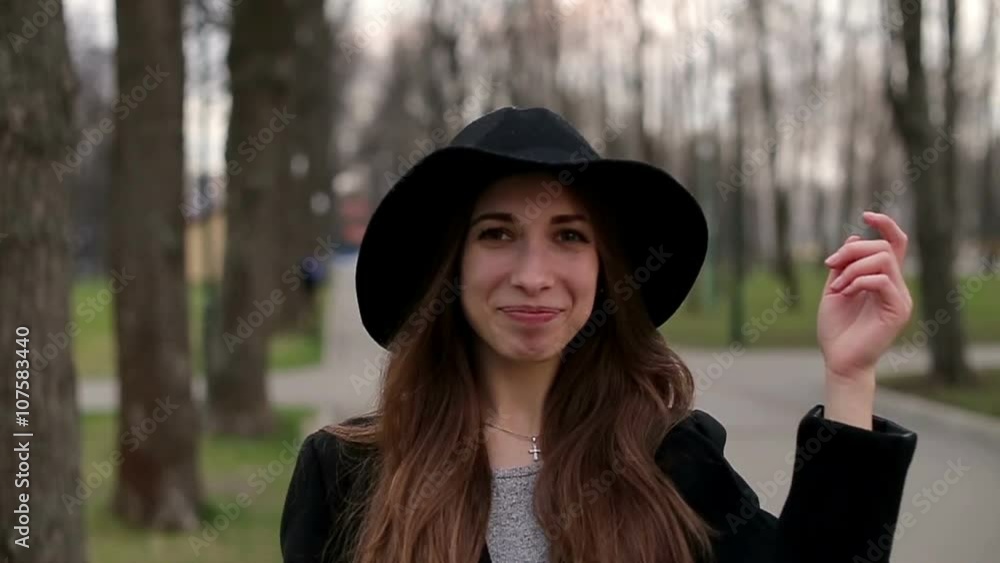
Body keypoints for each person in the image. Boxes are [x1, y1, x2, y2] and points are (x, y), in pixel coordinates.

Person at [279, 107, 918, 563]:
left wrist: (849, 376)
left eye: (569, 236)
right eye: (497, 234)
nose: (534, 276)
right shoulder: (349, 473)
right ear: (453, 266)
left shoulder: (669, 459)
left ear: (604, 271)